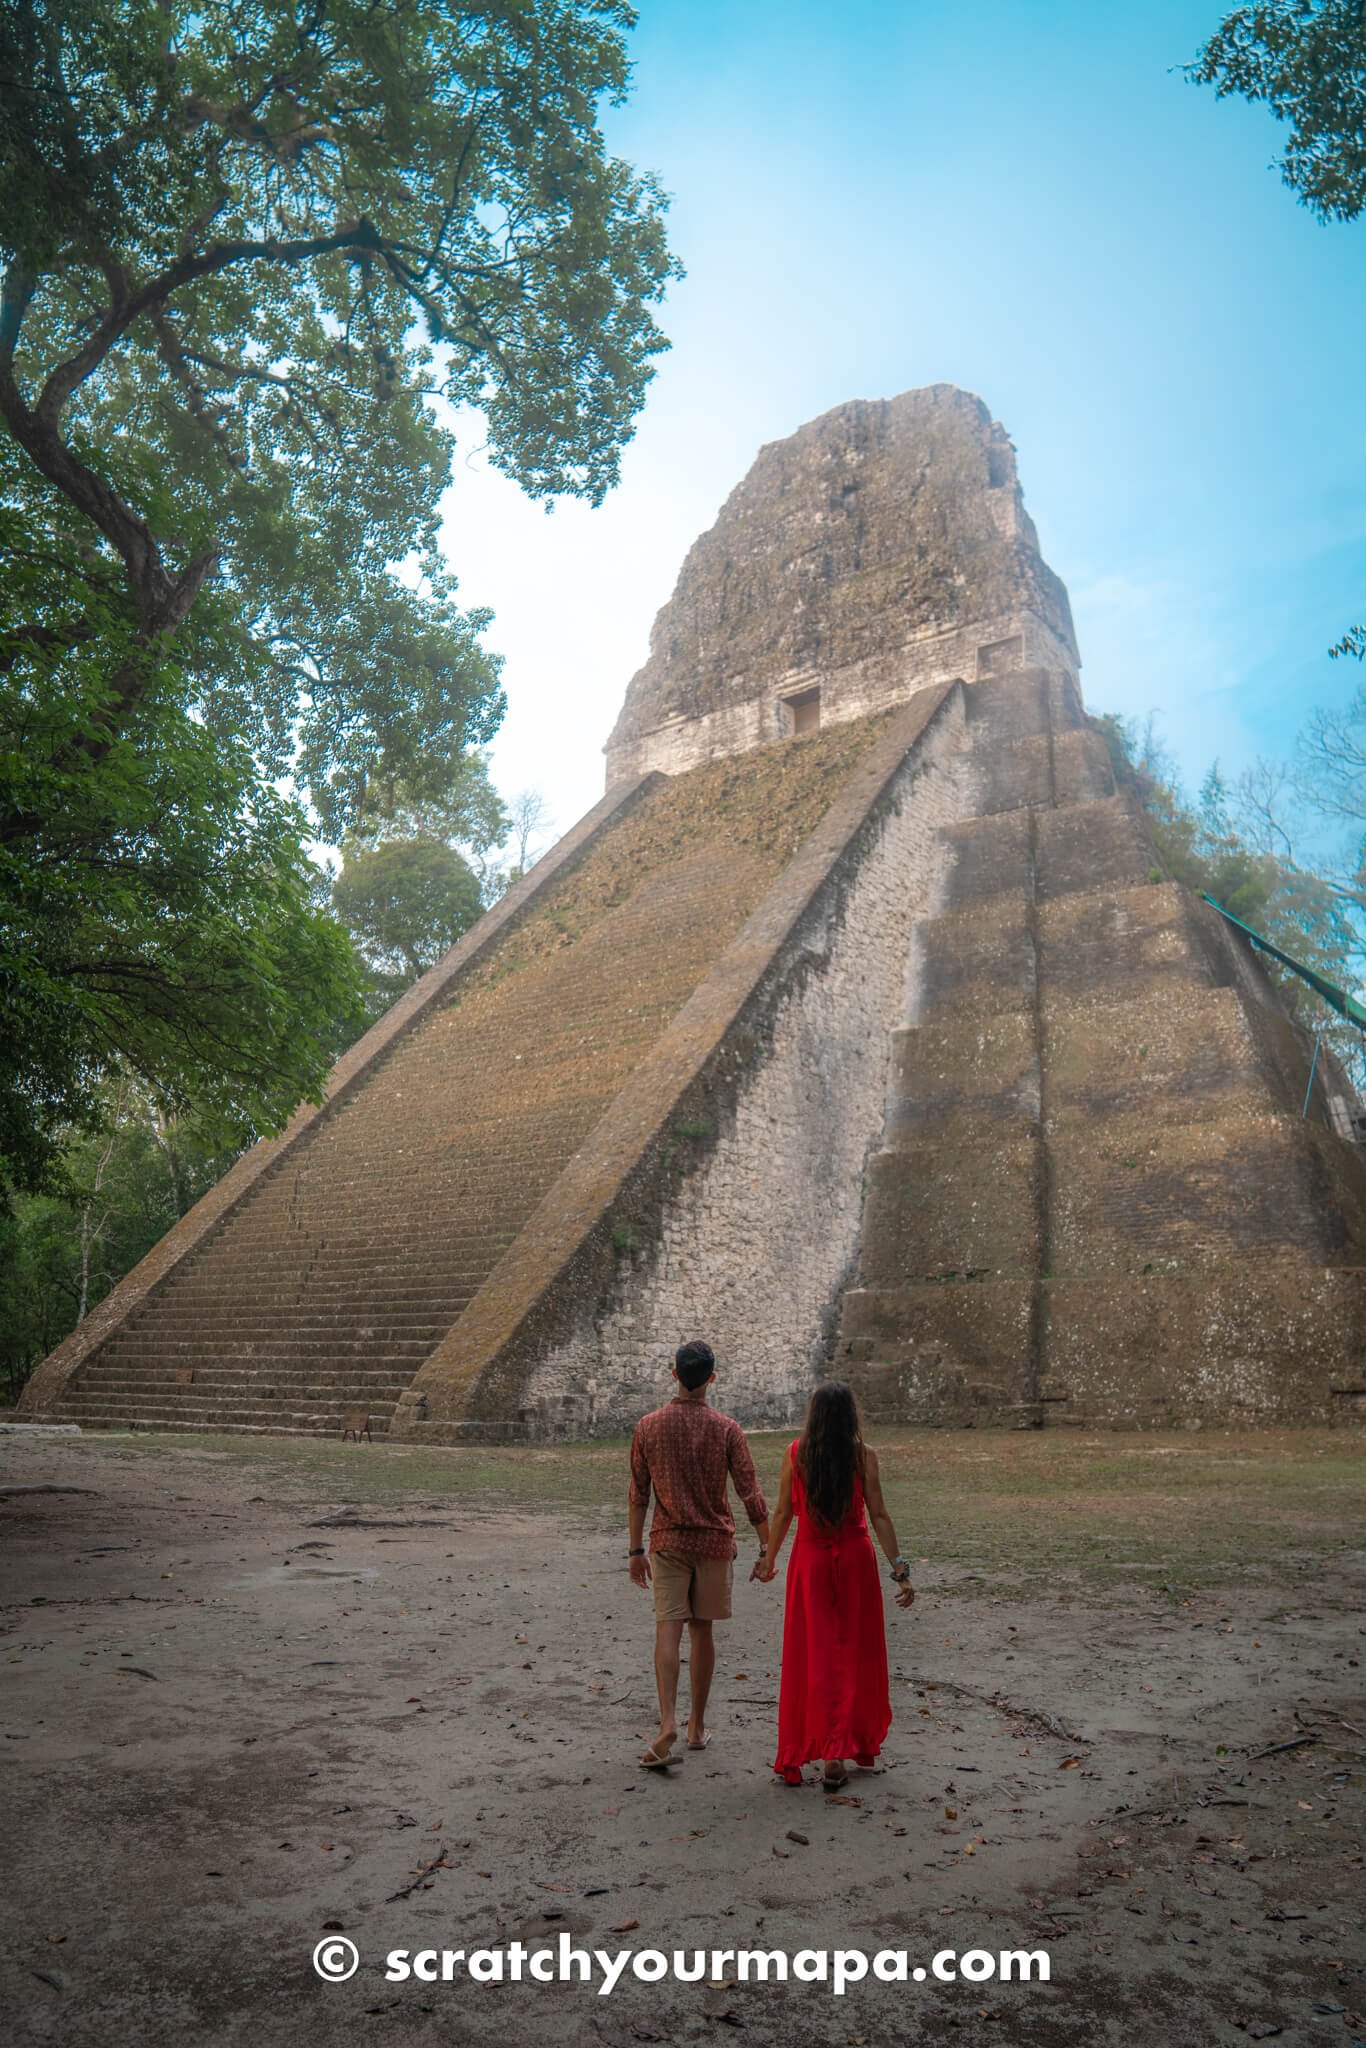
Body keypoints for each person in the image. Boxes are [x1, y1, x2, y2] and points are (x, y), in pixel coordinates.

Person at [755, 1380, 914, 1790]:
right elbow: (879, 1514)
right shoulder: (864, 1457)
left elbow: (783, 1513)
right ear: (850, 1417)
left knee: (817, 1655)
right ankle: (839, 1751)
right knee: (853, 1654)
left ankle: (828, 1749)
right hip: (855, 1561)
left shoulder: (796, 1454)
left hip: (811, 1562)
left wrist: (769, 1560)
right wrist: (900, 1569)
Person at [628, 1340, 771, 1769]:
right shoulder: (727, 1429)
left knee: (667, 1629)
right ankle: (696, 1726)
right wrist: (767, 1546)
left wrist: (635, 1550)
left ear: (674, 1374)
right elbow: (750, 1491)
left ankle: (667, 1722)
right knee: (702, 1631)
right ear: (711, 1379)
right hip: (713, 1543)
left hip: (668, 1542)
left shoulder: (648, 1426)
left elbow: (638, 1495)